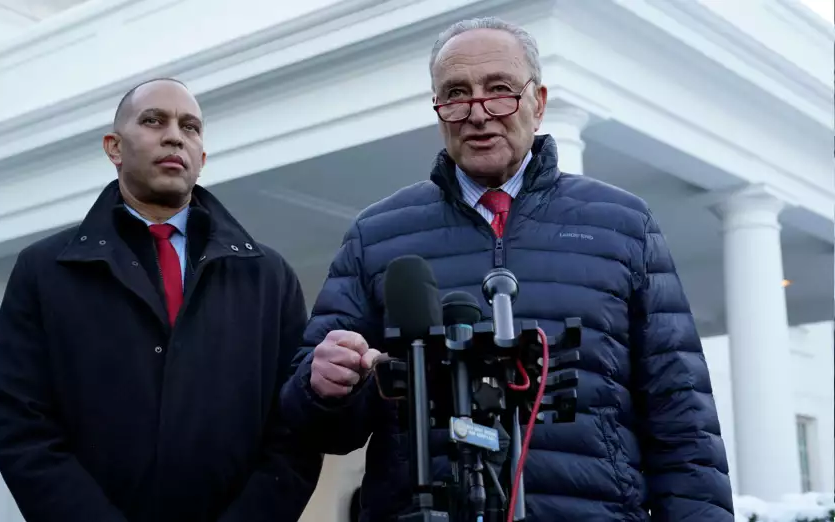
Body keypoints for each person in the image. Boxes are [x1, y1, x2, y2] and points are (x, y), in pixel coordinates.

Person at [280, 17, 734, 522]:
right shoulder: (375, 235)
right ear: (438, 109)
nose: (478, 113)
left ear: (538, 103)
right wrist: (322, 388)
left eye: (499, 90)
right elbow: (315, 425)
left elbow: (682, 417)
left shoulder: (625, 225)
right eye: (456, 94)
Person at [0, 78, 321, 522]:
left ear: (202, 157)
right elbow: (21, 424)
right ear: (114, 147)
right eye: (153, 120)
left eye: (190, 127)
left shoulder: (268, 277)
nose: (174, 136)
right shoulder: (44, 271)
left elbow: (295, 430)